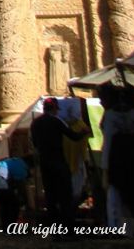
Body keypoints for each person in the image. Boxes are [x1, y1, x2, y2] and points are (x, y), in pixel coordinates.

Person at [100, 84, 134, 238]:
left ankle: (122, 232)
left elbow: (108, 144)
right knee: (133, 200)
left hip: (119, 164)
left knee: (117, 201)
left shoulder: (111, 116)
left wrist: (105, 171)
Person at [30, 97, 90, 231]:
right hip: (58, 160)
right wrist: (84, 132)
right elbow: (73, 137)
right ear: (54, 109)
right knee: (65, 194)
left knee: (50, 195)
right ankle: (68, 227)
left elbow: (34, 143)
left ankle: (53, 228)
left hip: (45, 162)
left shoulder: (35, 123)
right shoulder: (57, 121)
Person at [0, 155, 34, 228]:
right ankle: (11, 227)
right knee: (14, 205)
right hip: (0, 180)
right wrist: (23, 200)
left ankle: (5, 227)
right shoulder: (22, 167)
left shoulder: (16, 161)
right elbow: (20, 185)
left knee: (4, 204)